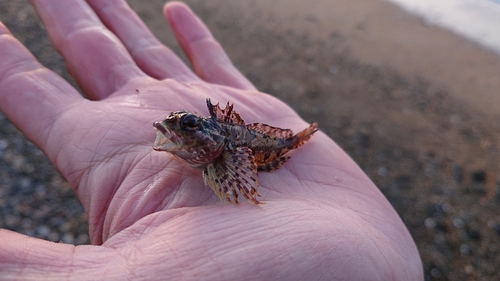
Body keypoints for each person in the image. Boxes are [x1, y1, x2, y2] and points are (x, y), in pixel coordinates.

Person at [0, 1, 423, 280]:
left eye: (186, 125)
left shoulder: (228, 149)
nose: (173, 130)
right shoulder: (206, 139)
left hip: (256, 144)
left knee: (281, 148)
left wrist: (251, 176)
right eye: (178, 125)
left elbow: (235, 158)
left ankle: (304, 136)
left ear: (206, 137)